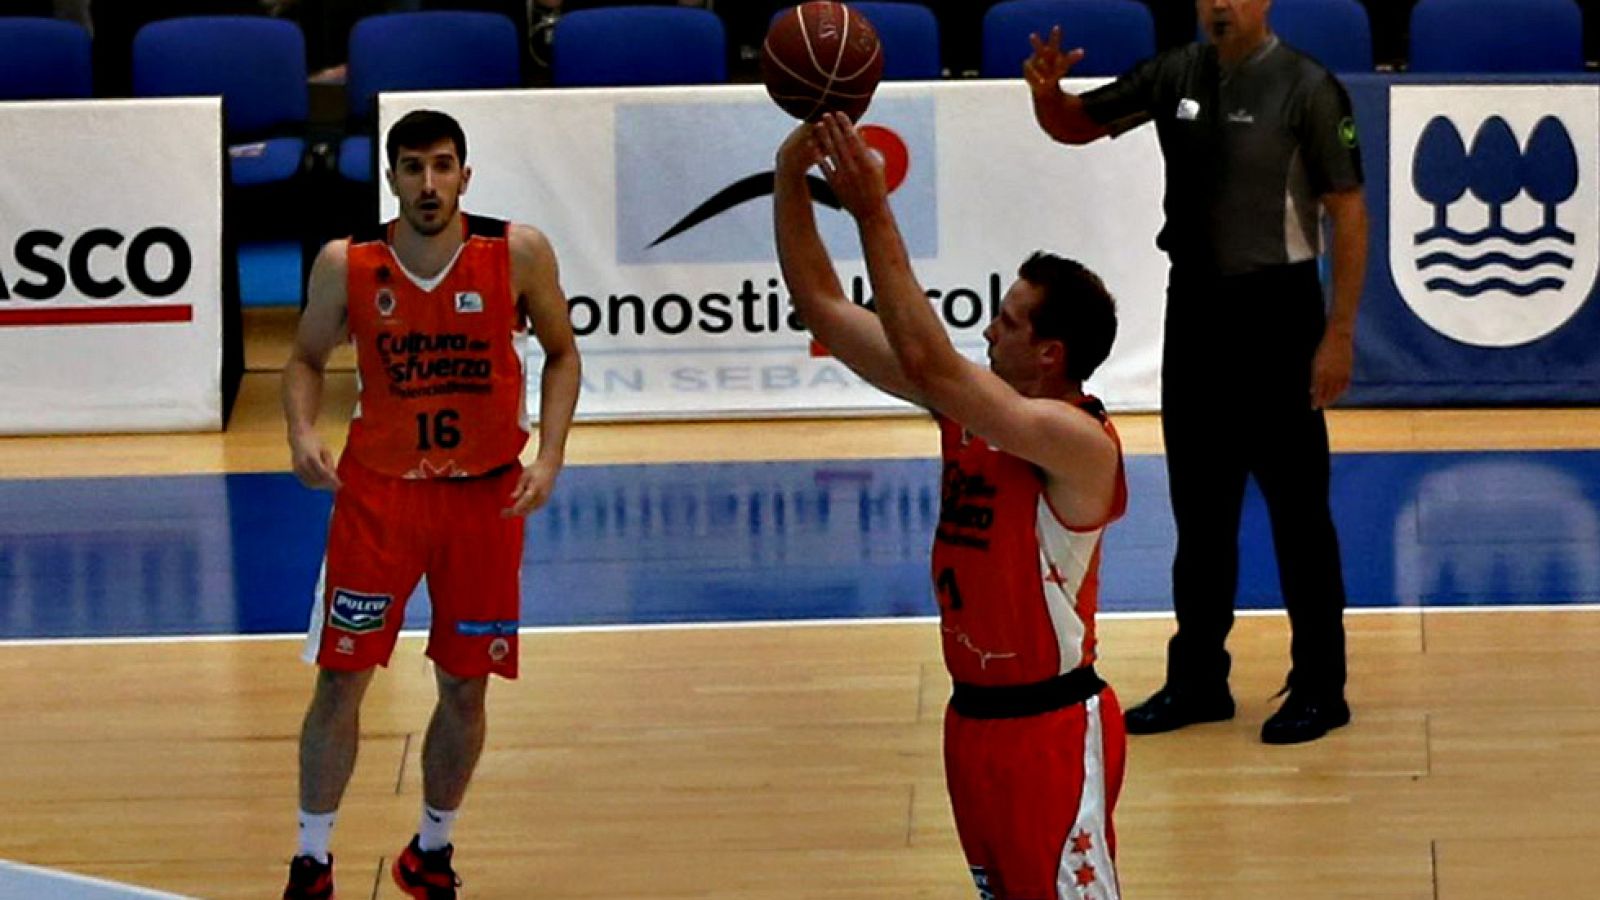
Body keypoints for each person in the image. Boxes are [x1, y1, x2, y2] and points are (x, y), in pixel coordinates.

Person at [776, 113, 1128, 900]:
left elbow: (931, 363)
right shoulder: (975, 409)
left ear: (1050, 355)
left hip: (1052, 729)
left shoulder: (1079, 442)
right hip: (971, 725)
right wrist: (788, 177)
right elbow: (824, 305)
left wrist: (874, 209)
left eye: (1005, 321)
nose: (986, 330)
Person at [1022, 0, 1368, 744]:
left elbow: (1349, 210)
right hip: (1198, 312)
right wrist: (1047, 95)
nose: (1219, 3)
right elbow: (1075, 126)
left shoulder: (1309, 87)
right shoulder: (1175, 70)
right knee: (1200, 511)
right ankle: (1199, 680)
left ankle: (1321, 686)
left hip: (1281, 314)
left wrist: (1338, 333)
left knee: (1299, 516)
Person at [279, 109, 581, 900]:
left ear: (465, 176)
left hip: (484, 500)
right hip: (379, 498)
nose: (428, 184)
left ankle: (432, 849)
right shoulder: (348, 263)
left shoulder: (515, 253)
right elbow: (305, 357)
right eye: (412, 168)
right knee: (342, 681)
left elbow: (562, 353)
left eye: (442, 166)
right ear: (392, 178)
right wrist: (300, 430)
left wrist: (549, 454)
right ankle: (311, 859)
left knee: (465, 685)